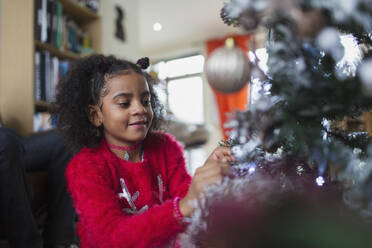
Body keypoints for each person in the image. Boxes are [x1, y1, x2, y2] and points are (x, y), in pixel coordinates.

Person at [53, 54, 233, 248]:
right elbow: (111, 237)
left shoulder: (165, 147)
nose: (139, 109)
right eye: (124, 103)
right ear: (96, 115)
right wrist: (183, 207)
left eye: (145, 101)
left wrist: (205, 179)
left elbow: (187, 201)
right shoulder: (84, 167)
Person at [0, 126, 78, 248]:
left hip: (12, 144)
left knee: (66, 140)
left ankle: (59, 241)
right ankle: (28, 244)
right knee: (5, 138)